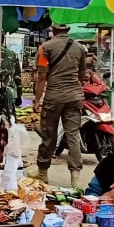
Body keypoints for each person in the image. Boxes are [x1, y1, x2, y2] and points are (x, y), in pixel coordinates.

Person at [35, 23, 88, 186]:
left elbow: (42, 76)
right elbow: (82, 75)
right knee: (73, 135)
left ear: (53, 30)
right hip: (74, 97)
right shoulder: (80, 48)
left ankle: (43, 173)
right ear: (68, 30)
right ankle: (75, 179)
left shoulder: (45, 47)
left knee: (48, 135)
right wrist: (75, 91)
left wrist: (37, 100)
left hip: (54, 97)